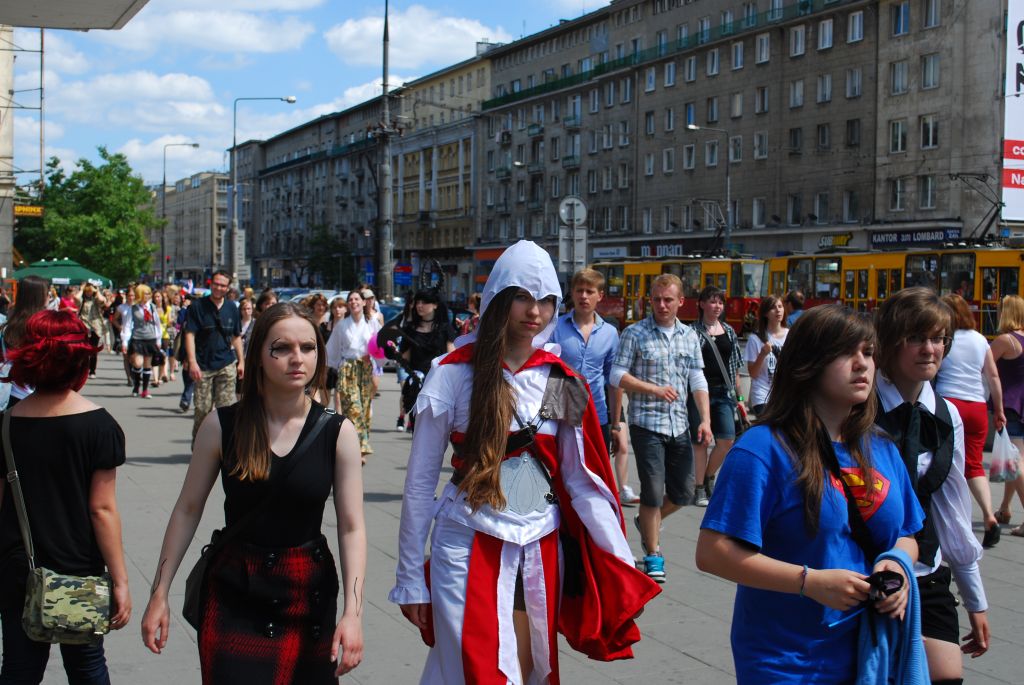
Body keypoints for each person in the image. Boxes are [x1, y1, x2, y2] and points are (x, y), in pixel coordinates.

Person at [389, 240, 660, 683]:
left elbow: (580, 479)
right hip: (466, 541)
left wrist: (620, 561)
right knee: (476, 670)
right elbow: (419, 484)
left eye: (547, 300)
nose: (535, 310)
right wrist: (409, 578)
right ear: (498, 299)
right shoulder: (453, 372)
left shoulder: (560, 377)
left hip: (539, 545)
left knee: (530, 667)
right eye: (522, 296)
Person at [696, 305, 924, 684]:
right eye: (846, 352)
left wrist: (897, 563)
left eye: (868, 353)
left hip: (873, 655)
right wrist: (808, 582)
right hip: (787, 662)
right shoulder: (761, 449)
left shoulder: (881, 448)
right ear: (809, 362)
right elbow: (712, 552)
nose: (862, 364)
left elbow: (908, 533)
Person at [141, 303, 365, 682]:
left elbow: (352, 527)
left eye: (308, 348)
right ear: (258, 354)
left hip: (307, 593)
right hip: (234, 592)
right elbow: (187, 509)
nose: (298, 359)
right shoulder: (221, 425)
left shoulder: (337, 432)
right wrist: (159, 592)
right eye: (282, 348)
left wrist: (353, 614)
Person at [0, 310, 132, 682]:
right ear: (80, 362)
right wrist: (120, 581)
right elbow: (102, 509)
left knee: (19, 670)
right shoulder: (100, 426)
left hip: (18, 569)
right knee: (87, 668)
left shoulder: (7, 424)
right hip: (79, 569)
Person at [874, 288, 990, 682]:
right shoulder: (859, 404)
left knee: (946, 675)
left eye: (939, 338)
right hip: (862, 571)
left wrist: (976, 601)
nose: (930, 349)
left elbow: (952, 510)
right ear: (890, 343)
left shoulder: (946, 414)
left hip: (926, 570)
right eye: (917, 338)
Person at [610, 273, 711, 582]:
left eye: (668, 300)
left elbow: (697, 379)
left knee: (683, 493)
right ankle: (653, 553)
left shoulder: (690, 336)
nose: (662, 305)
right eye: (657, 299)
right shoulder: (635, 333)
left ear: (681, 302)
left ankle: (646, 521)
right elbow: (616, 375)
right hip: (646, 423)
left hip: (678, 424)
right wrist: (652, 389)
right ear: (649, 300)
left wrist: (705, 419)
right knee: (652, 491)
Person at [550, 268, 638, 505]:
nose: (584, 296)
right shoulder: (555, 328)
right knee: (559, 472)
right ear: (572, 293)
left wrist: (617, 422)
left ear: (600, 295)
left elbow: (614, 379)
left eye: (590, 291)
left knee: (595, 474)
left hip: (597, 414)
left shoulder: (609, 333)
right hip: (561, 412)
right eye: (579, 291)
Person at [935, 294, 1005, 548]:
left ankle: (956, 522)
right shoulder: (980, 340)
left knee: (944, 464)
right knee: (974, 465)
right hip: (976, 407)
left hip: (947, 404)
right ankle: (989, 516)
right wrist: (998, 409)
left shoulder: (943, 339)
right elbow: (993, 376)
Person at [689, 286, 743, 508]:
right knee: (701, 442)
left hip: (723, 393)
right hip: (699, 393)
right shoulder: (691, 331)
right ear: (701, 304)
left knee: (727, 440)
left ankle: (709, 476)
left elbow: (736, 367)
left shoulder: (729, 331)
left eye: (720, 302)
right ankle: (699, 488)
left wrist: (740, 398)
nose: (717, 306)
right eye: (712, 301)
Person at [184, 271, 244, 440]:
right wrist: (192, 362)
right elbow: (190, 334)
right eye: (216, 284)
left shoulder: (232, 307)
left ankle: (224, 446)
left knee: (225, 408)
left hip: (226, 363)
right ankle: (199, 445)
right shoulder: (198, 306)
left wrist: (241, 362)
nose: (218, 288)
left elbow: (236, 336)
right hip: (203, 365)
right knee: (202, 409)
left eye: (222, 285)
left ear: (227, 288)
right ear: (211, 284)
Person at [325, 290, 378, 460]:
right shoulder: (342, 325)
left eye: (357, 299)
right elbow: (332, 349)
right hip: (347, 368)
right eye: (351, 299)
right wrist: (327, 367)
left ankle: (359, 442)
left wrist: (376, 360)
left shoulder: (372, 324)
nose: (353, 302)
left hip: (366, 368)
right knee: (354, 407)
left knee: (364, 407)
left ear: (364, 302)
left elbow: (381, 347)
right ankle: (360, 447)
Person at [988, 294, 1024, 533]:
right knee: (1015, 456)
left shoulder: (1005, 341)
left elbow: (984, 365)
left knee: (1017, 460)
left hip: (1011, 404)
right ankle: (1005, 508)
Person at [398, 288, 457, 432]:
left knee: (436, 430)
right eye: (418, 302)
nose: (419, 305)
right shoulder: (409, 329)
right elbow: (404, 359)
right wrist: (394, 353)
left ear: (435, 305)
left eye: (424, 302)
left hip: (438, 385)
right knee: (418, 429)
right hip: (417, 385)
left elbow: (452, 357)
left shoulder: (445, 329)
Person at [1, 276, 49, 410]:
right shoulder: (43, 327)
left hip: (10, 395)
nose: (49, 297)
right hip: (39, 397)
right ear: (39, 297)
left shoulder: (7, 327)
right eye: (47, 293)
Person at [745, 295, 789, 414]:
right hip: (762, 396)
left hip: (784, 396)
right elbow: (753, 373)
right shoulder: (755, 339)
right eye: (773, 308)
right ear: (765, 314)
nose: (778, 310)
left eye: (780, 306)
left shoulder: (790, 335)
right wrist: (762, 354)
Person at [121, 284, 164, 399]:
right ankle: (136, 385)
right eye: (146, 293)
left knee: (147, 365)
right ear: (140, 294)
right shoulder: (133, 308)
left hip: (150, 339)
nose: (148, 295)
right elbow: (127, 325)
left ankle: (144, 390)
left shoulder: (152, 307)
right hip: (137, 339)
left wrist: (158, 339)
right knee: (137, 363)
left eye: (149, 293)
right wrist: (125, 341)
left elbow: (157, 324)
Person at [78, 284, 108, 379]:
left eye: (90, 291)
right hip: (84, 326)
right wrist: (81, 289)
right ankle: (83, 370)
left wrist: (97, 290)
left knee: (94, 349)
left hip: (95, 327)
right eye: (87, 291)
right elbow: (75, 298)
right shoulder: (82, 300)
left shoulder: (96, 300)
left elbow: (102, 300)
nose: (89, 293)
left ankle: (92, 370)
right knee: (84, 349)